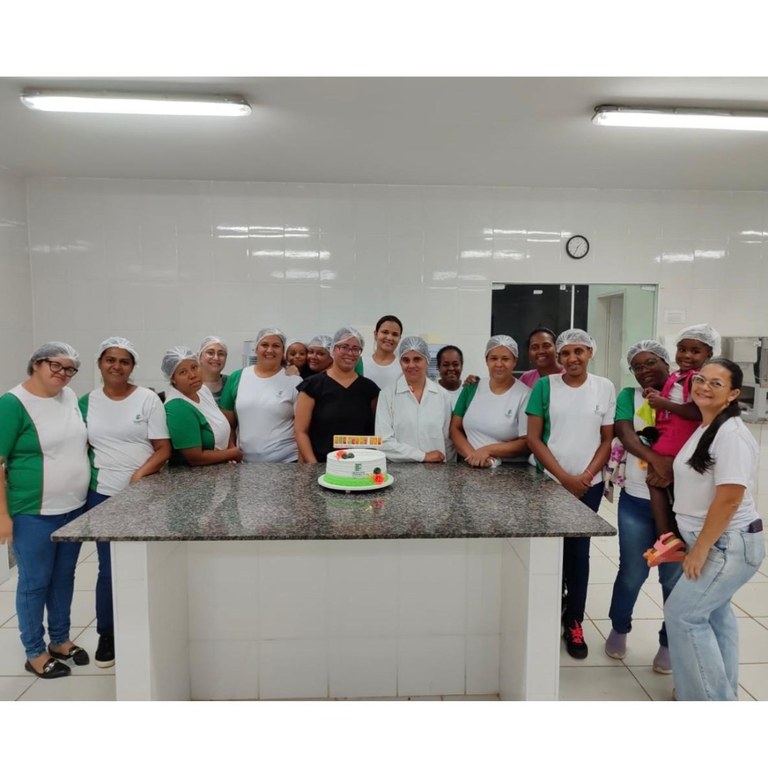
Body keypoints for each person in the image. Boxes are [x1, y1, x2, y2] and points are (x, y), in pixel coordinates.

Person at [664, 358, 765, 700]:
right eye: (700, 380)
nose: (703, 387)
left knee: (683, 616)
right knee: (716, 617)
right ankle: (724, 696)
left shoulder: (732, 435)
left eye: (715, 384)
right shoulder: (709, 426)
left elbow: (730, 498)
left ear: (733, 393)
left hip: (726, 544)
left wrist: (702, 548)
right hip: (713, 539)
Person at [79, 337, 171, 668]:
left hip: (145, 493)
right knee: (108, 568)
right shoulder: (86, 402)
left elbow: (163, 448)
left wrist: (139, 476)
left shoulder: (147, 399)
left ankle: (148, 627)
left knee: (147, 564)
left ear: (132, 367)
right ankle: (108, 633)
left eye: (124, 361)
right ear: (100, 363)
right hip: (102, 493)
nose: (117, 366)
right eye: (110, 360)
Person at [0, 342, 91, 679]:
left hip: (74, 508)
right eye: (56, 365)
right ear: (36, 363)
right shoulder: (13, 404)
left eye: (70, 369)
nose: (63, 374)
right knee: (34, 582)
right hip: (32, 511)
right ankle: (34, 652)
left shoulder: (68, 398)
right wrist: (2, 515)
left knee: (63, 578)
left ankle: (60, 640)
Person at [526, 329, 615, 659]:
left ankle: (574, 620)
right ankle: (546, 615)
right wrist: (563, 477)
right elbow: (534, 438)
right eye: (566, 353)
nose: (573, 358)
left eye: (580, 351)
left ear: (590, 352)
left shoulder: (604, 387)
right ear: (558, 358)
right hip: (548, 483)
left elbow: (606, 439)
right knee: (548, 553)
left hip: (587, 486)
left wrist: (586, 476)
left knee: (579, 554)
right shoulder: (545, 386)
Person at [604, 340, 682, 673]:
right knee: (632, 572)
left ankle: (668, 643)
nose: (644, 370)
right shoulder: (628, 396)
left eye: (650, 362)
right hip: (635, 501)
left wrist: (666, 468)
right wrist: (657, 463)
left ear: (666, 362)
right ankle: (619, 628)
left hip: (680, 506)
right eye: (637, 366)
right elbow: (625, 434)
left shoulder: (683, 395)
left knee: (673, 578)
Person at [643, 323, 718, 546]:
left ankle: (668, 536)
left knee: (658, 483)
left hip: (678, 438)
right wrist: (658, 395)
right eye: (682, 349)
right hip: (669, 435)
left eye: (695, 351)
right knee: (662, 485)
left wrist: (664, 402)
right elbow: (675, 399)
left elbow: (697, 411)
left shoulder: (697, 378)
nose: (686, 355)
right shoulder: (678, 375)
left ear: (709, 354)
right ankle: (670, 535)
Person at [295, 327, 380, 463]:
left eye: (355, 349)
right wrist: (314, 466)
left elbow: (375, 430)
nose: (350, 353)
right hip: (321, 466)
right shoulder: (312, 386)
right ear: (333, 349)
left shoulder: (369, 389)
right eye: (344, 347)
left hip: (359, 466)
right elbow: (300, 431)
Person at [219, 328, 302, 462]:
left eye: (276, 346)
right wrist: (231, 454)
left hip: (287, 462)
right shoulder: (237, 377)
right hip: (245, 464)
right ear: (256, 349)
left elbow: (302, 428)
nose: (269, 350)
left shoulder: (294, 382)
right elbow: (227, 424)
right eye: (264, 345)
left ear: (283, 352)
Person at [450, 335, 531, 468]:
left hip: (510, 472)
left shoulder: (525, 394)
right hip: (470, 465)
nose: (499, 364)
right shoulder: (472, 388)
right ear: (486, 361)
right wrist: (473, 456)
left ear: (514, 361)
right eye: (493, 358)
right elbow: (454, 428)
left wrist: (487, 450)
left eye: (505, 359)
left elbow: (526, 442)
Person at [375, 336, 454, 463]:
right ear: (400, 363)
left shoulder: (442, 395)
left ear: (427, 360)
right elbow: (383, 442)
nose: (411, 365)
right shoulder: (387, 395)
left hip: (436, 473)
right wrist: (423, 456)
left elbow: (448, 441)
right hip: (399, 472)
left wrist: (450, 471)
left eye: (417, 359)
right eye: (406, 360)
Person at [162, 346, 242, 466]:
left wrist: (230, 451)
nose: (192, 375)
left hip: (218, 470)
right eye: (183, 372)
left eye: (194, 367)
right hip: (193, 479)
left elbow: (221, 425)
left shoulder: (202, 390)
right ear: (173, 379)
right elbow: (195, 458)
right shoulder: (177, 407)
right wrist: (233, 453)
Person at [359, 315, 403, 390]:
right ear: (376, 334)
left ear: (399, 338)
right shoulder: (360, 363)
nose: (389, 338)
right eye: (385, 332)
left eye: (395, 334)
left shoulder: (403, 366)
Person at [198, 336, 229, 405]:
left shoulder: (231, 383)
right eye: (210, 353)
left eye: (221, 354)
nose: (216, 358)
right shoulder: (191, 385)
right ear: (199, 356)